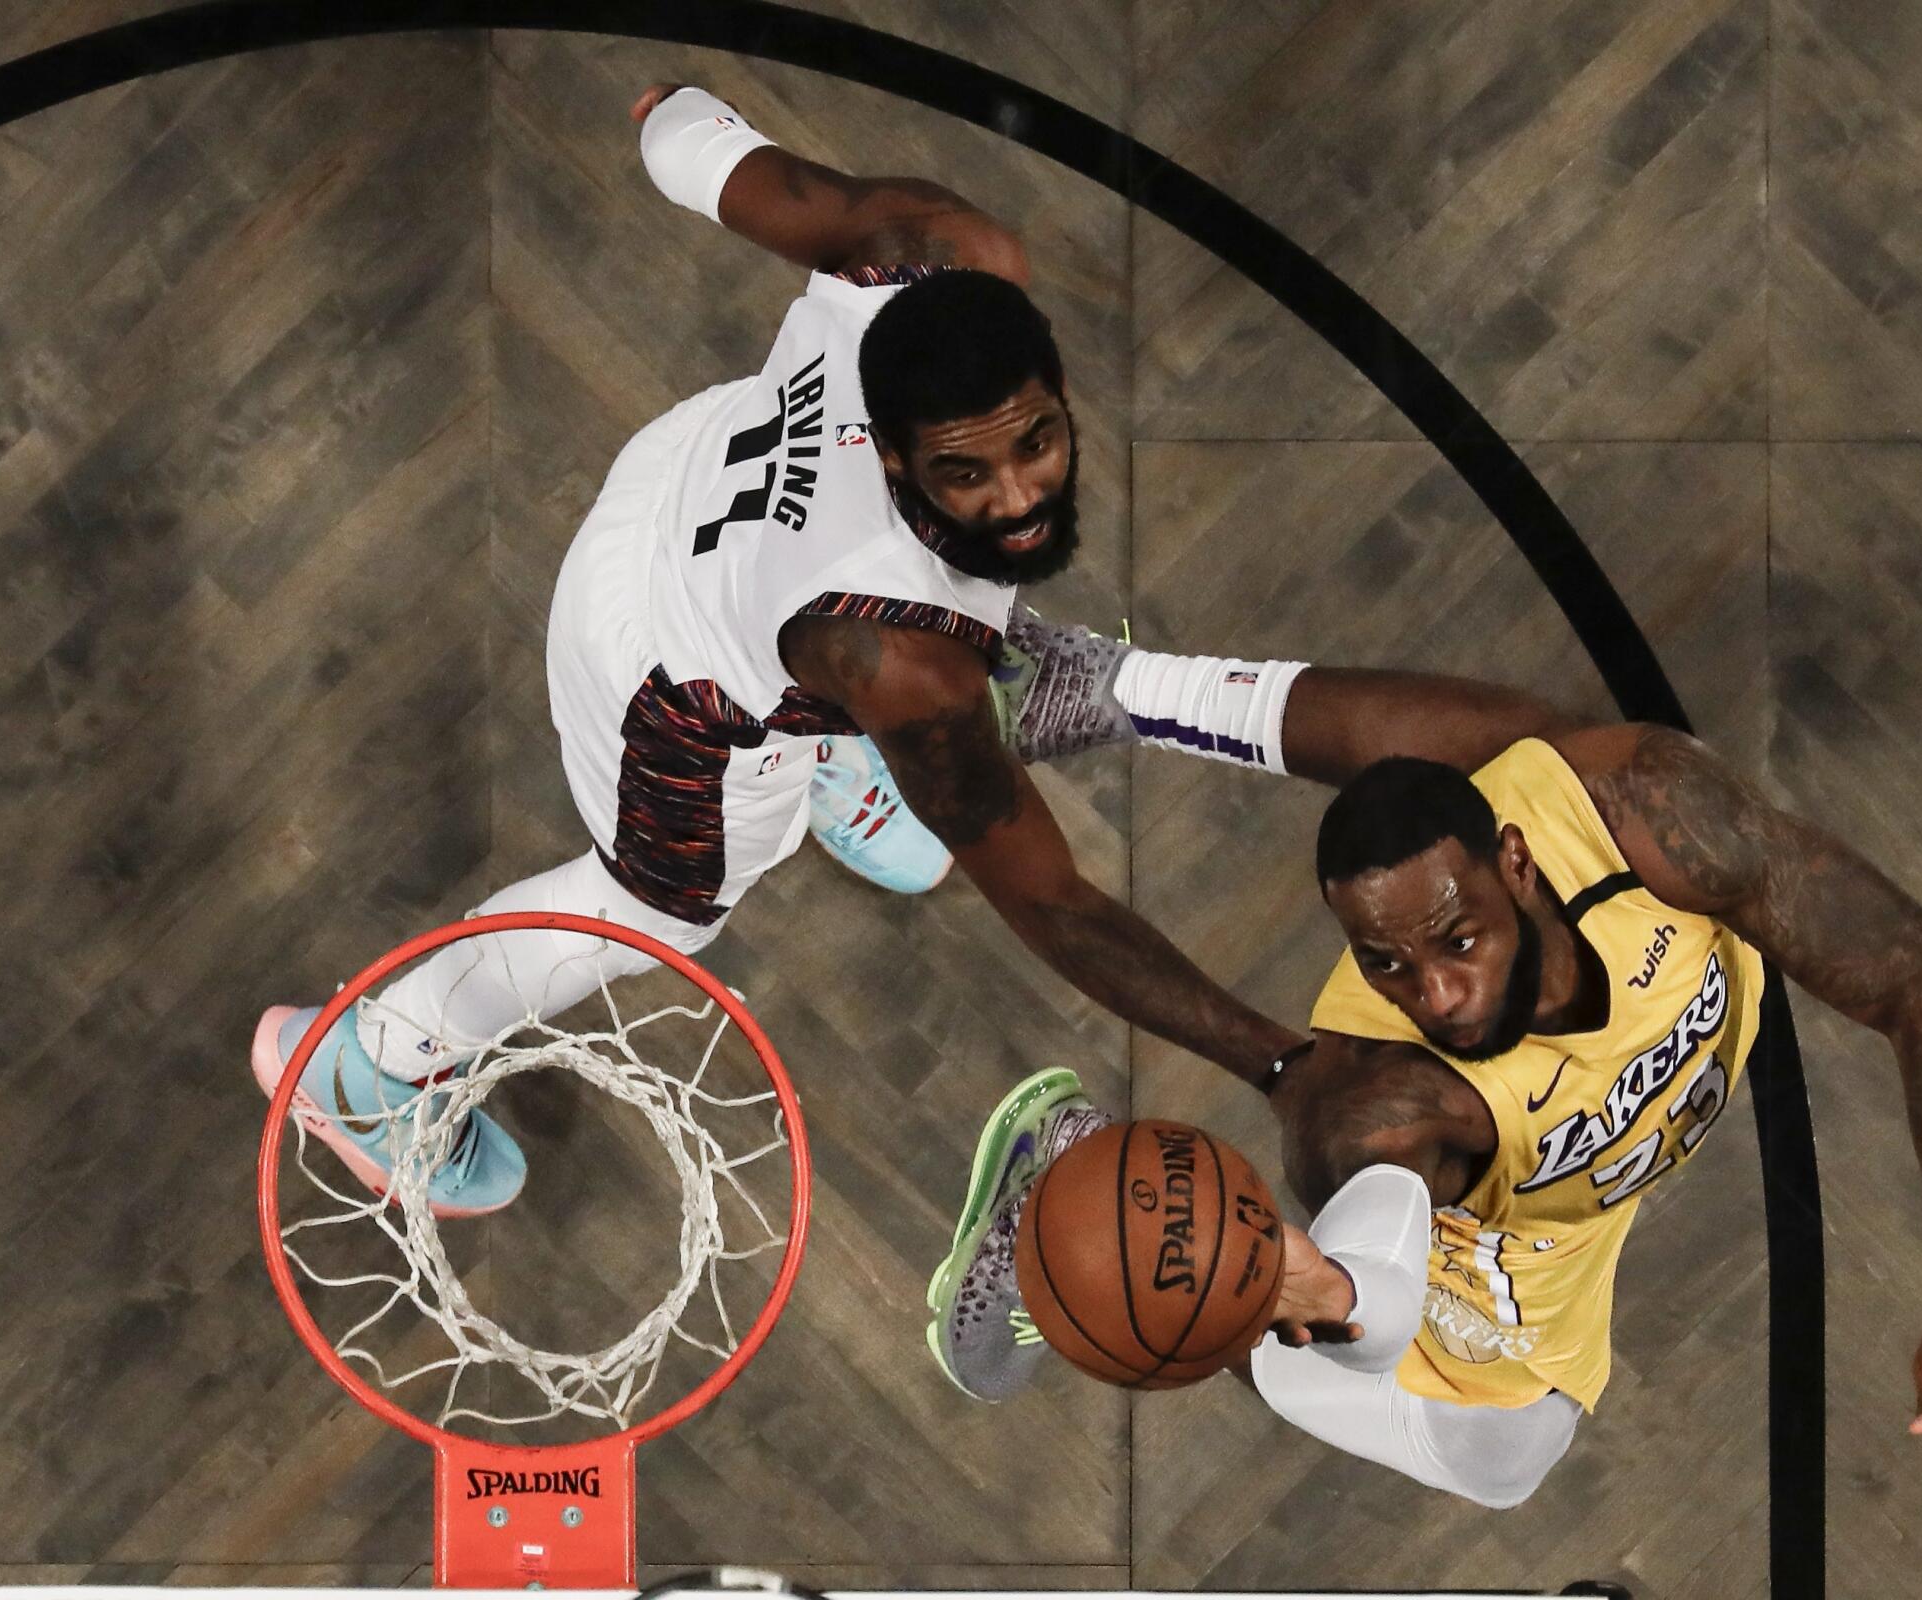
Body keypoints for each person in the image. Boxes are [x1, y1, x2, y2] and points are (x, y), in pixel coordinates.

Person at [247, 87, 1296, 1216]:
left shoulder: (933, 250)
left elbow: (689, 141)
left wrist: (670, 113)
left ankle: (831, 755)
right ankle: (376, 1059)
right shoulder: (906, 663)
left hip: (682, 482)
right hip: (667, 688)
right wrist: (1282, 1065)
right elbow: (1057, 907)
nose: (1020, 497)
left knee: (867, 653)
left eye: (1039, 441)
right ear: (894, 459)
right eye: (965, 474)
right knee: (661, 912)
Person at [932, 630, 1922, 1519]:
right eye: (1388, 965)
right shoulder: (1380, 1107)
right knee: (1260, 1323)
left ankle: (1107, 684)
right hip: (1489, 1272)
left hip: (1577, 1214)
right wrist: (1333, 1294)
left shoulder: (1644, 816)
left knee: (1506, 1463)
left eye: (1457, 940)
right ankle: (1071, 1205)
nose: (1437, 996)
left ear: (1514, 863)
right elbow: (1379, 1290)